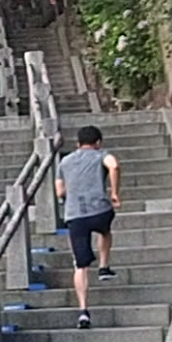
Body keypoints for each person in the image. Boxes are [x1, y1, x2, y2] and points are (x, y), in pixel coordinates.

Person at [55, 125, 121, 329]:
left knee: (80, 264)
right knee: (105, 230)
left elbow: (59, 191)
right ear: (98, 142)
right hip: (100, 210)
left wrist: (70, 195)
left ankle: (83, 311)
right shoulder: (101, 154)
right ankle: (103, 266)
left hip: (75, 215)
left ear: (77, 144)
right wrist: (114, 192)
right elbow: (114, 165)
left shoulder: (64, 161)